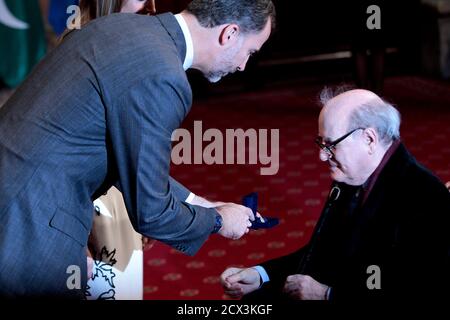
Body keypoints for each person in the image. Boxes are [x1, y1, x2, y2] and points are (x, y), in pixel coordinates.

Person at [0, 0, 276, 297]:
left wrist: (202, 203)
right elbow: (151, 213)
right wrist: (219, 221)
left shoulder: (119, 27)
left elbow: (123, 154)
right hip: (28, 226)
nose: (243, 66)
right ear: (230, 34)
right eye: (250, 52)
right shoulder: (164, 77)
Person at [220, 88, 450, 301]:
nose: (322, 156)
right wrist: (262, 274)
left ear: (369, 139)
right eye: (320, 143)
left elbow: (416, 287)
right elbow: (324, 250)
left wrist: (327, 294)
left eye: (331, 145)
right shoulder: (352, 174)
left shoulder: (425, 196)